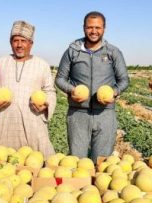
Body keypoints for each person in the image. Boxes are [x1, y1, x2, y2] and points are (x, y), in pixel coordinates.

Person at [55, 11, 129, 162]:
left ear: (104, 28)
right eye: (90, 27)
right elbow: (60, 79)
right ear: (84, 28)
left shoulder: (113, 52)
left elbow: (124, 80)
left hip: (105, 114)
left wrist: (114, 92)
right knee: (77, 161)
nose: (94, 31)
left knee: (102, 162)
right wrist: (71, 90)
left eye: (98, 27)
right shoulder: (72, 51)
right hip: (78, 113)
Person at [0, 20, 56, 158]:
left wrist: (46, 104)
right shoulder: (1, 62)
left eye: (23, 41)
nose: (19, 45)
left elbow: (50, 91)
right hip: (5, 123)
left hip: (33, 124)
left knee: (36, 163)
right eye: (15, 40)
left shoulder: (41, 65)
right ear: (10, 43)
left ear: (31, 43)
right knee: (2, 163)